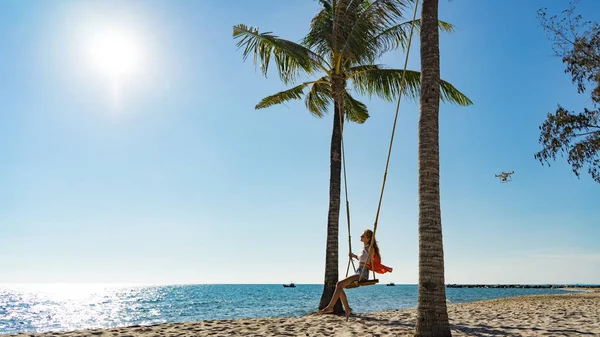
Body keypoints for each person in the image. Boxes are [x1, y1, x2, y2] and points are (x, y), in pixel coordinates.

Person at [318, 229, 386, 321]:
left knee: (339, 284)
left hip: (363, 273)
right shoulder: (364, 248)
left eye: (363, 235)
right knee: (339, 286)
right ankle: (347, 309)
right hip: (358, 271)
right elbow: (361, 258)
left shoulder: (370, 248)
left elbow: (372, 257)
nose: (361, 236)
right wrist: (353, 256)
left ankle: (330, 307)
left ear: (368, 238)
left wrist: (372, 252)